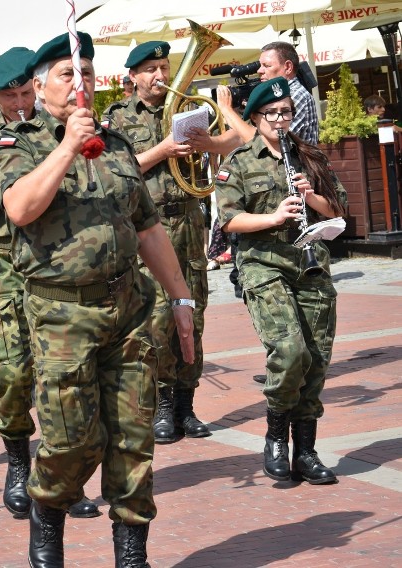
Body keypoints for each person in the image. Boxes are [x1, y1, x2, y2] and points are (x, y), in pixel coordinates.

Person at [0, 32, 195, 566]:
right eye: (66, 74)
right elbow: (19, 207)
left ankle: (132, 554)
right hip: (62, 315)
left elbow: (147, 227)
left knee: (133, 438)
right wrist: (64, 146)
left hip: (128, 310)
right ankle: (46, 530)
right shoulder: (19, 144)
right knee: (71, 441)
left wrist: (180, 298)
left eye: (86, 74)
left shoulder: (119, 147)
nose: (80, 84)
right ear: (39, 86)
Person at [0, 47, 98, 520]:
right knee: (12, 375)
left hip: (55, 259)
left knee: (62, 376)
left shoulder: (61, 126)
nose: (18, 103)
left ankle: (62, 480)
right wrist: (9, 175)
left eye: (24, 93)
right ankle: (17, 459)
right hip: (2, 265)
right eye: (8, 96)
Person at [215, 77, 347, 486]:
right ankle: (276, 435)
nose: (279, 119)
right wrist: (273, 217)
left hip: (310, 262)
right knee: (290, 350)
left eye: (285, 112)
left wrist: (310, 197)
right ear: (255, 117)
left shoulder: (307, 156)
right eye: (271, 114)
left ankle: (305, 451)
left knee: (316, 359)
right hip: (263, 263)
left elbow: (337, 208)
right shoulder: (238, 162)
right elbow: (228, 219)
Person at [105, 41, 238, 444]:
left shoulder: (186, 110)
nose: (160, 76)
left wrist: (209, 145)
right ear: (133, 77)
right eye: (150, 69)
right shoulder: (117, 119)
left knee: (192, 317)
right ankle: (162, 405)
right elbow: (116, 170)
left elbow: (234, 142)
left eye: (164, 67)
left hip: (188, 224)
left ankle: (186, 405)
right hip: (149, 232)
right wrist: (163, 150)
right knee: (158, 322)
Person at [257, 42, 319, 145]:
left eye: (266, 66)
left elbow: (275, 141)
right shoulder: (281, 95)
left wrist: (228, 111)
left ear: (288, 67)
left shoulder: (295, 95)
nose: (259, 70)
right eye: (260, 65)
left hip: (297, 161)